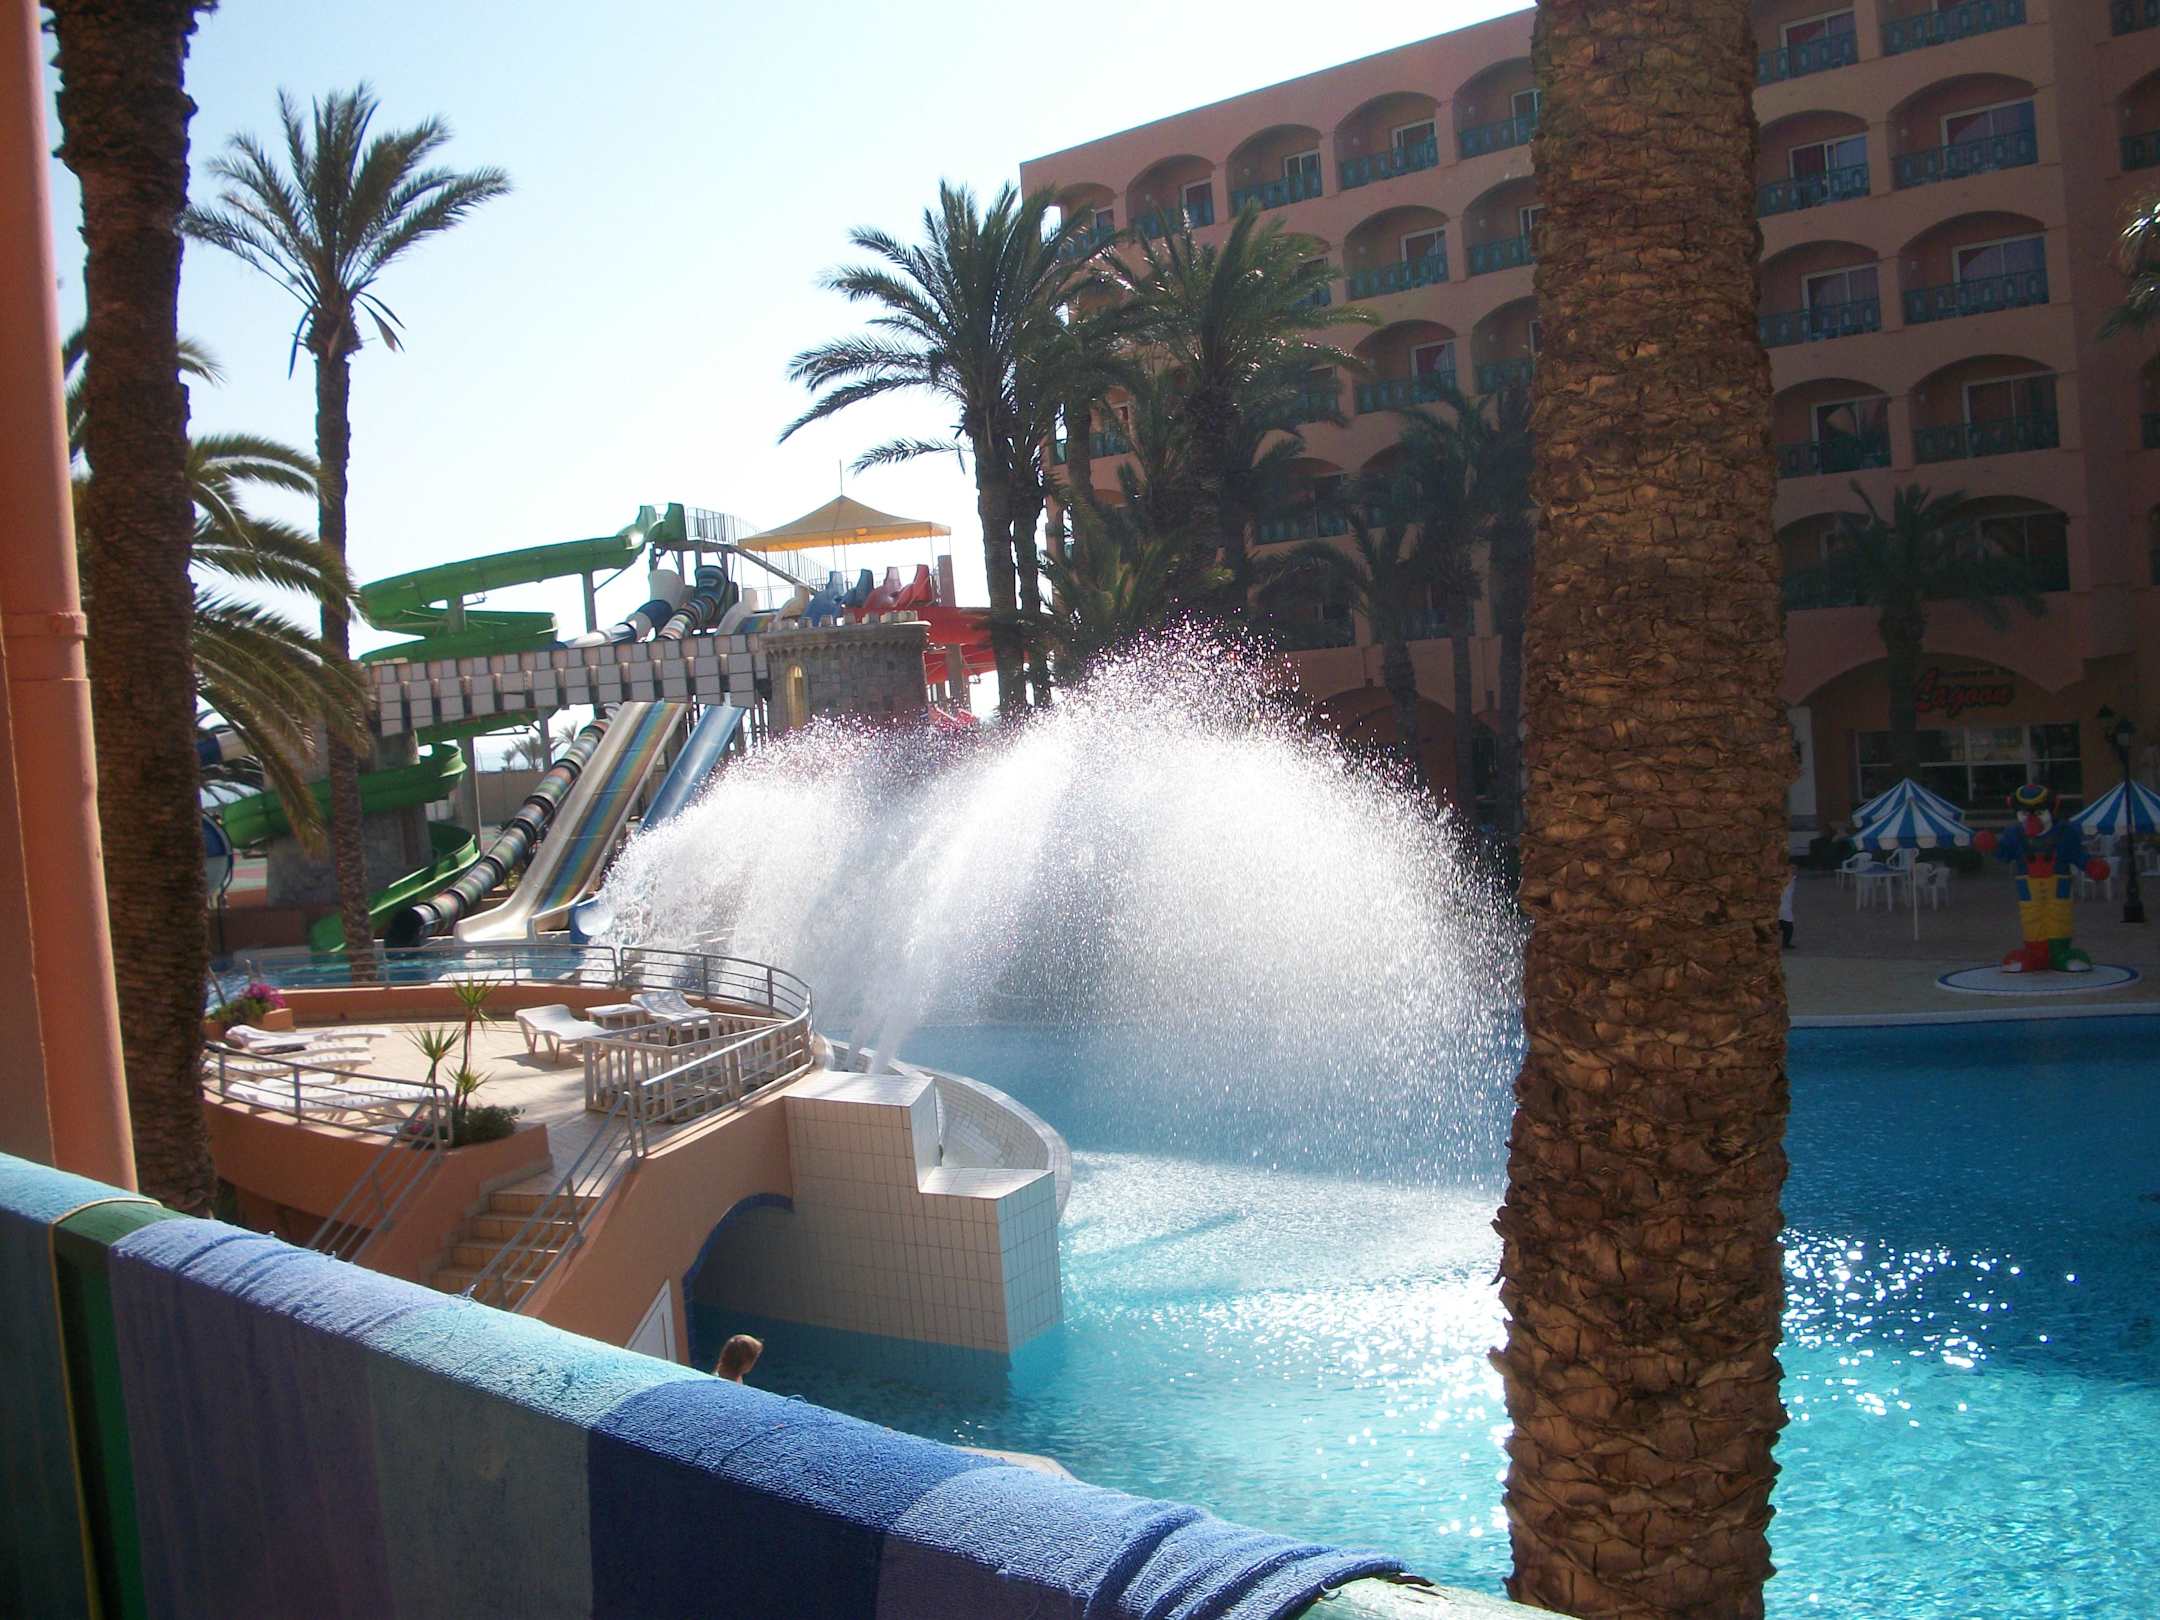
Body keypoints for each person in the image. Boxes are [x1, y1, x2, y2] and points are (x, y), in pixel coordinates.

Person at [1779, 873, 1795, 950]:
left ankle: (1784, 943)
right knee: (1789, 927)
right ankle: (1785, 944)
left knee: (1784, 926)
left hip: (1783, 907)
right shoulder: (1788, 880)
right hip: (1784, 908)